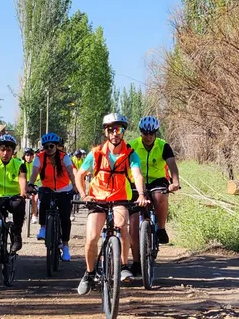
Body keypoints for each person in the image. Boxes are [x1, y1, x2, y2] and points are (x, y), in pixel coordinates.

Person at [73, 113, 148, 294]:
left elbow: (137, 174)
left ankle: (122, 265)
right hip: (98, 198)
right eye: (111, 130)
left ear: (123, 132)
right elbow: (80, 175)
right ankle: (90, 274)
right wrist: (84, 194)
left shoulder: (131, 153)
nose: (115, 133)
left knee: (122, 226)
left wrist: (141, 195)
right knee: (92, 237)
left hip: (120, 197)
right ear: (106, 132)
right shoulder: (96, 153)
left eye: (119, 129)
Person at [127, 116, 180, 271]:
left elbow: (172, 165)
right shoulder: (132, 145)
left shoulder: (163, 146)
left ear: (156, 132)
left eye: (152, 133)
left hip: (158, 180)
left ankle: (161, 228)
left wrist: (175, 182)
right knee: (134, 224)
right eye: (145, 133)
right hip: (136, 182)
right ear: (141, 132)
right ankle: (137, 263)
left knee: (159, 196)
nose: (149, 136)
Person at [29, 133, 76, 261]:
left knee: (65, 218)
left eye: (51, 146)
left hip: (64, 189)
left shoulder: (64, 157)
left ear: (56, 146)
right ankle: (43, 227)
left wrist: (75, 186)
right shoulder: (39, 157)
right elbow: (34, 172)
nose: (49, 149)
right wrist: (30, 184)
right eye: (46, 147)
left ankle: (65, 246)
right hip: (47, 187)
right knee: (43, 199)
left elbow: (71, 173)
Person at [22, 147, 38, 225]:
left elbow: (38, 175)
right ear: (24, 156)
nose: (29, 157)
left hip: (33, 183)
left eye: (31, 155)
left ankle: (34, 215)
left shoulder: (35, 164)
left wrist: (36, 182)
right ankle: (22, 213)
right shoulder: (21, 164)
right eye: (27, 155)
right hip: (23, 183)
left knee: (35, 198)